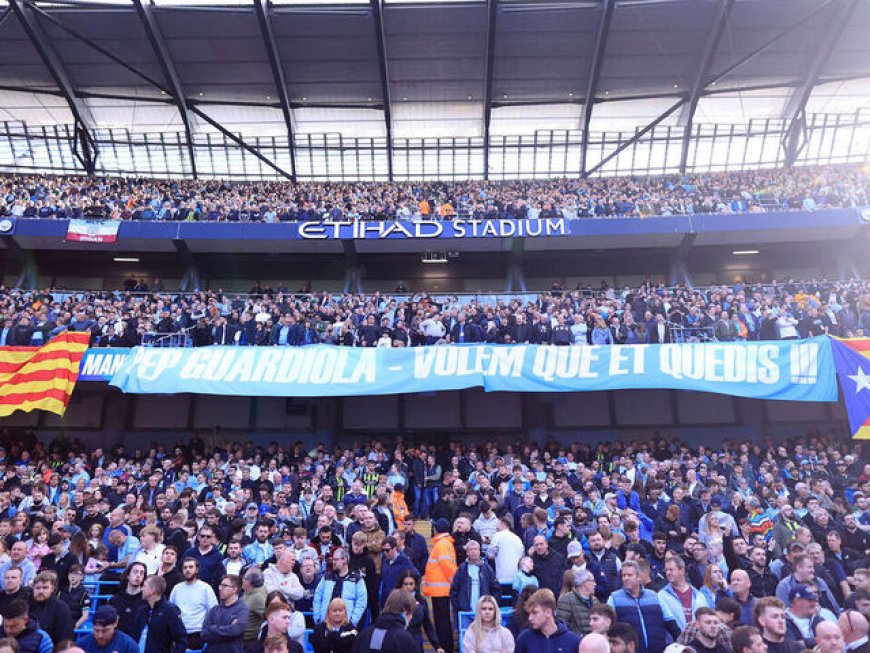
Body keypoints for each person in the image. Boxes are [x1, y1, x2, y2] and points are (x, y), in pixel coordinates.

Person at [607, 561, 678, 653]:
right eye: (624, 575)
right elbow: (608, 627)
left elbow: (670, 621)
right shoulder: (614, 598)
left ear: (639, 577)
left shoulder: (655, 596)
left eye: (629, 575)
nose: (626, 578)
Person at [424, 519, 457, 653]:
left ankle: (445, 648)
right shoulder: (444, 543)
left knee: (441, 622)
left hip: (441, 590)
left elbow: (446, 566)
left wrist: (454, 583)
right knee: (442, 621)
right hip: (441, 589)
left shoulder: (442, 544)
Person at [169, 557, 217, 649]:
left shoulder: (205, 588)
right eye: (185, 567)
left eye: (191, 567)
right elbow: (171, 610)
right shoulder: (176, 588)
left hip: (198, 634)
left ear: (197, 569)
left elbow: (213, 612)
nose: (187, 570)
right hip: (179, 634)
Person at [514, 589, 581, 653]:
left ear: (548, 612)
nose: (530, 618)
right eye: (529, 613)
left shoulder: (573, 641)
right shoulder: (524, 639)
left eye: (534, 613)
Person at [351, 589, 418, 653]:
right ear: (405, 611)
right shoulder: (406, 640)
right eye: (411, 613)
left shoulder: (364, 635)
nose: (411, 617)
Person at [313, 549, 367, 626]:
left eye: (335, 559)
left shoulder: (356, 579)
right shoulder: (326, 577)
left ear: (344, 560)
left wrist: (352, 622)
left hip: (346, 625)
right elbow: (317, 598)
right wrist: (317, 619)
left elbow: (361, 602)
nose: (333, 562)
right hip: (325, 624)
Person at [202, 575, 249, 653]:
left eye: (225, 586)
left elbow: (235, 630)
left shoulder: (242, 609)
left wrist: (213, 629)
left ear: (234, 589)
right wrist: (228, 629)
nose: (220, 588)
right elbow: (204, 634)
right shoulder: (214, 610)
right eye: (220, 585)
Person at [450, 540, 497, 617]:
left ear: (479, 551)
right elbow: (454, 589)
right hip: (465, 613)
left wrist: (491, 605)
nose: (473, 551)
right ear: (467, 552)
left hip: (484, 614)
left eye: (475, 549)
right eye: (471, 549)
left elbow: (495, 588)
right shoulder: (461, 569)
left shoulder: (487, 569)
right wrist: (459, 606)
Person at [28, 570, 73, 644]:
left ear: (52, 589)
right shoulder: (25, 606)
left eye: (45, 588)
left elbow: (64, 639)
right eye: (38, 588)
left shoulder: (61, 608)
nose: (41, 591)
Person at [556, 568, 600, 636]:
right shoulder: (566, 599)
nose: (595, 584)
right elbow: (562, 624)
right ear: (585, 583)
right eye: (593, 581)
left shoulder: (595, 601)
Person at [110, 562, 147, 637]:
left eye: (141, 573)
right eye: (135, 572)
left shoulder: (146, 601)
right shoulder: (115, 600)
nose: (138, 575)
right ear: (128, 575)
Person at [379, 537, 416, 609]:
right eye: (383, 550)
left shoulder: (404, 561)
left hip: (398, 603)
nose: (385, 553)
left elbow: (416, 576)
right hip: (386, 602)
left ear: (395, 548)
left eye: (387, 550)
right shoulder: (385, 562)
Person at [242, 568, 268, 646]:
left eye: (244, 578)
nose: (242, 579)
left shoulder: (258, 597)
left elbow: (268, 616)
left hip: (248, 641)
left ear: (250, 582)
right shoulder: (248, 592)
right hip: (238, 637)